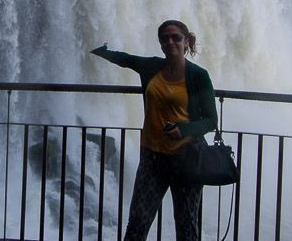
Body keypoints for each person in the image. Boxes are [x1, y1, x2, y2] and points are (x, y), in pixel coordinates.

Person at [90, 20, 218, 241]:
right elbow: (126, 60)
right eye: (165, 38)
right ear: (160, 43)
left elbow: (210, 121)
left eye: (176, 37)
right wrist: (100, 51)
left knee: (187, 225)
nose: (170, 41)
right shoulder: (151, 67)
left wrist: (185, 129)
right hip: (152, 158)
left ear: (186, 41)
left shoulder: (198, 75)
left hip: (186, 157)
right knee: (138, 221)